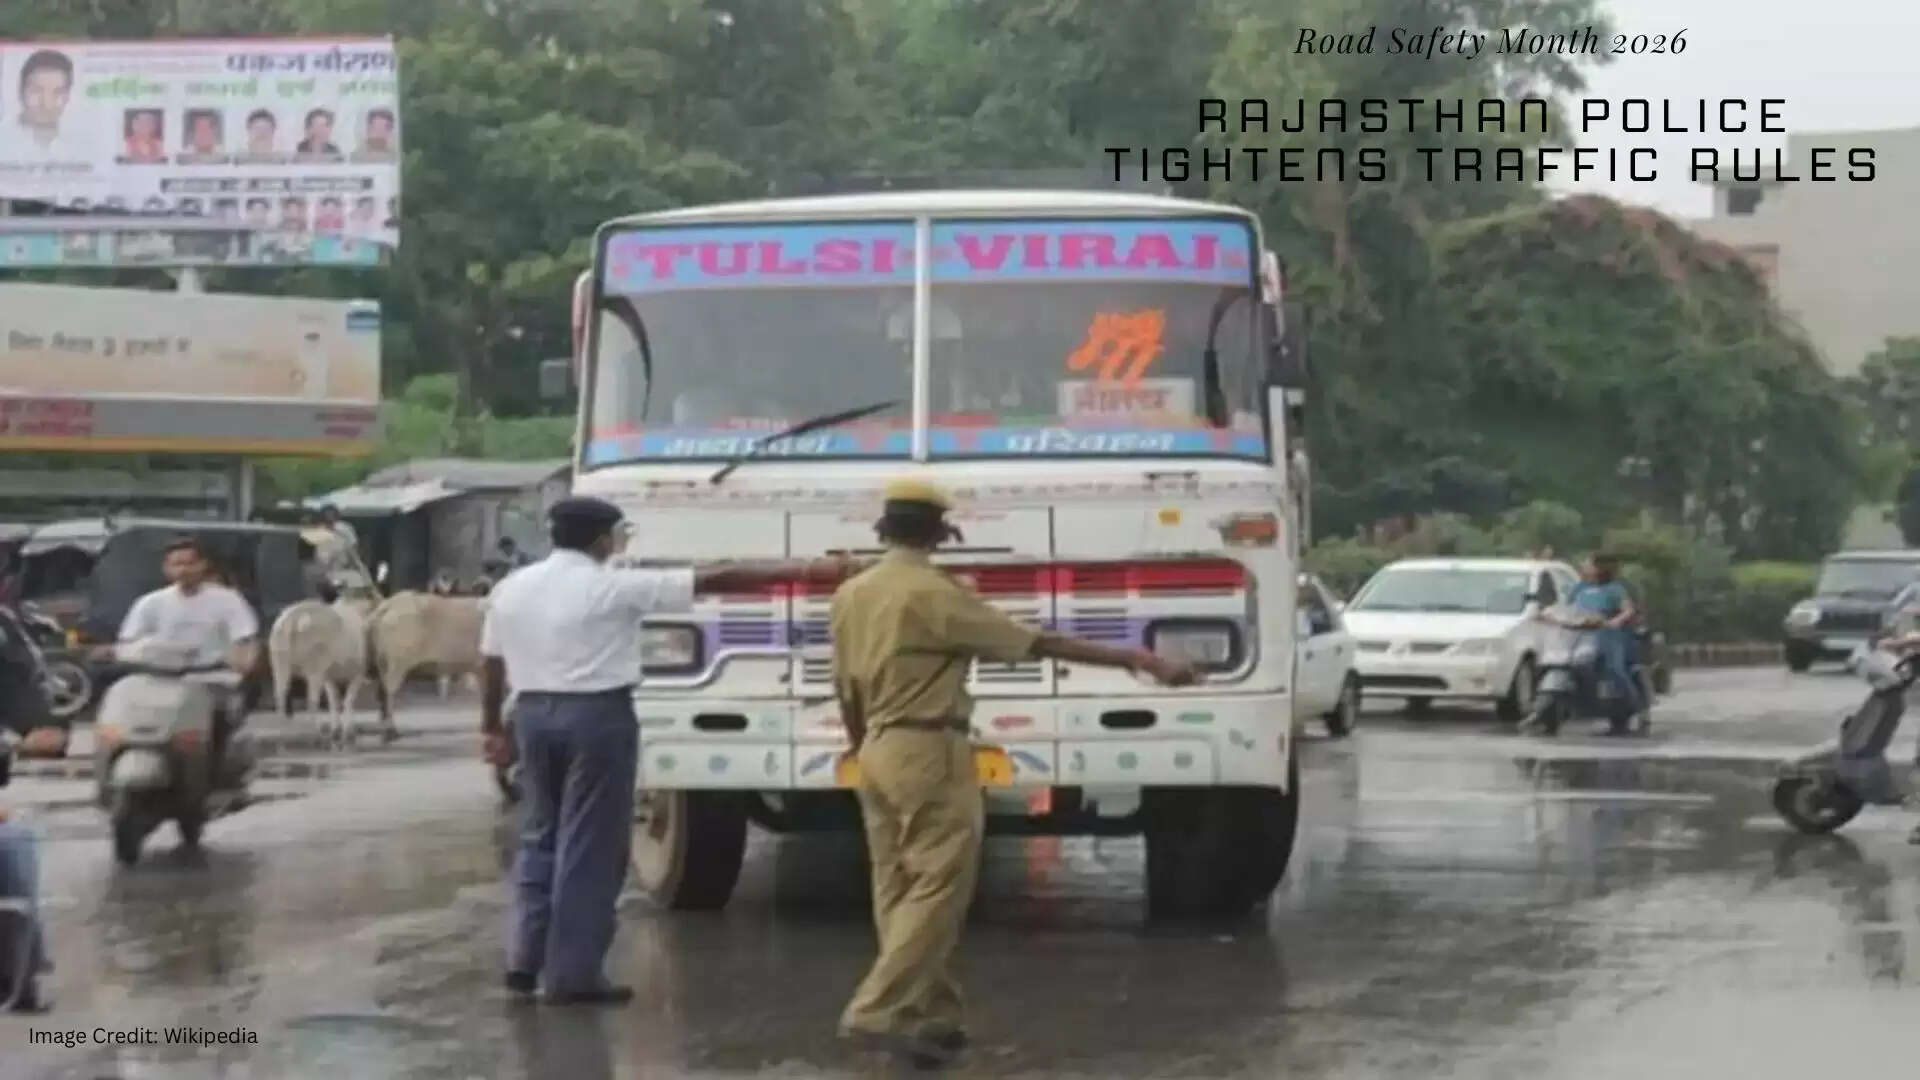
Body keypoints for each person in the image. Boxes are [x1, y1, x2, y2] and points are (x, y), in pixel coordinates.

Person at [831, 479, 1198, 1066]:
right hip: (929, 748)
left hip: (874, 748)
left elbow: (844, 683)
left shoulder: (852, 593)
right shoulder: (933, 593)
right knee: (940, 884)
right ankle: (877, 1009)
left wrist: (861, 747)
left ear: (886, 529)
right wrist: (1139, 658)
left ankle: (930, 1011)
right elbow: (1037, 642)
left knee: (897, 885)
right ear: (936, 533)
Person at [480, 496, 863, 1004]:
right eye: (617, 535)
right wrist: (816, 569)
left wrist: (491, 728)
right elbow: (720, 576)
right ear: (601, 539)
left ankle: (522, 966)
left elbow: (488, 662)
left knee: (540, 835)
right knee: (590, 845)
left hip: (530, 714)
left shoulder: (512, 588)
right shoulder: (612, 585)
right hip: (596, 718)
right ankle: (573, 976)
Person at [96, 538, 260, 787]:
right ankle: (106, 781)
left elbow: (245, 639)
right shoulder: (150, 603)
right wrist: (112, 653)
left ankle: (216, 779)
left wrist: (244, 659)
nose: (183, 569)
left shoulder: (227, 601)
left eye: (190, 563)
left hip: (211, 680)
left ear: (203, 565)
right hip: (155, 680)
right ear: (166, 568)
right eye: (177, 564)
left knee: (221, 720)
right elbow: (128, 641)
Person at [1532, 553, 1644, 732]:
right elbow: (1566, 608)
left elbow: (1627, 610)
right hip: (1579, 636)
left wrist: (1615, 621)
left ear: (1600, 568)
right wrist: (1549, 615)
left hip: (1606, 637)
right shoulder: (1579, 588)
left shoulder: (1615, 589)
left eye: (1587, 564)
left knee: (1613, 670)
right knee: (1562, 662)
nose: (1583, 566)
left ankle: (1628, 705)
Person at [14, 49, 75, 158]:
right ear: (21, 91)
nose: (46, 103)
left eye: (57, 92)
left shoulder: (79, 146)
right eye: (37, 91)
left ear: (68, 96)